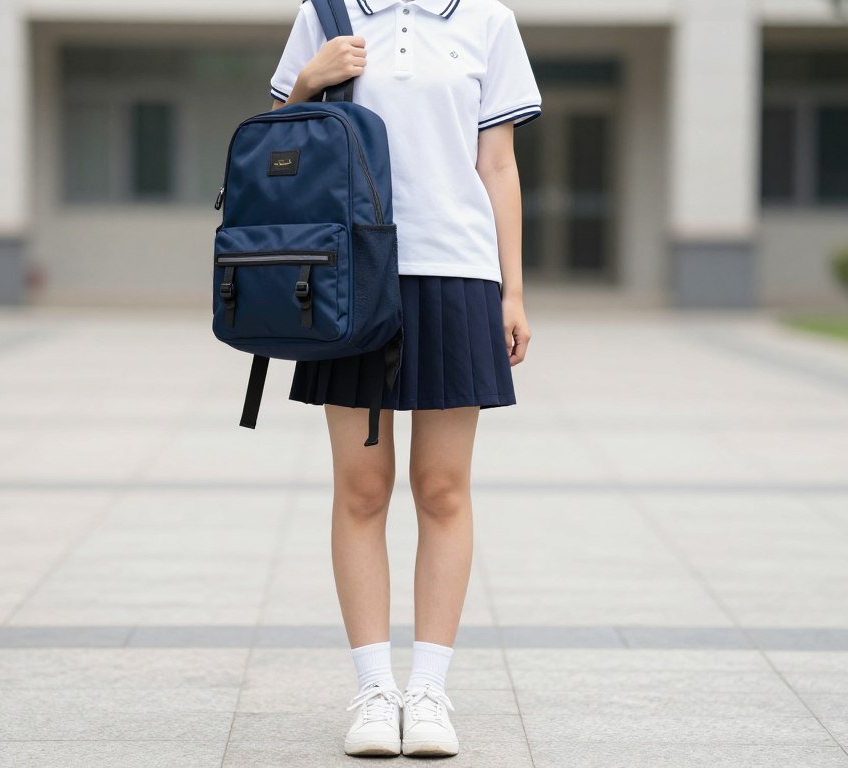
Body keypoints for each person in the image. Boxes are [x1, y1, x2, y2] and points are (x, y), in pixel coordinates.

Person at [268, 0, 540, 757]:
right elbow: (283, 156)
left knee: (442, 488)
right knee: (361, 487)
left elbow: (498, 164)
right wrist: (304, 87)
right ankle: (372, 690)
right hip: (350, 273)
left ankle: (429, 692)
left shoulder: (488, 19)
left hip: (456, 271)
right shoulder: (323, 13)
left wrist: (511, 290)